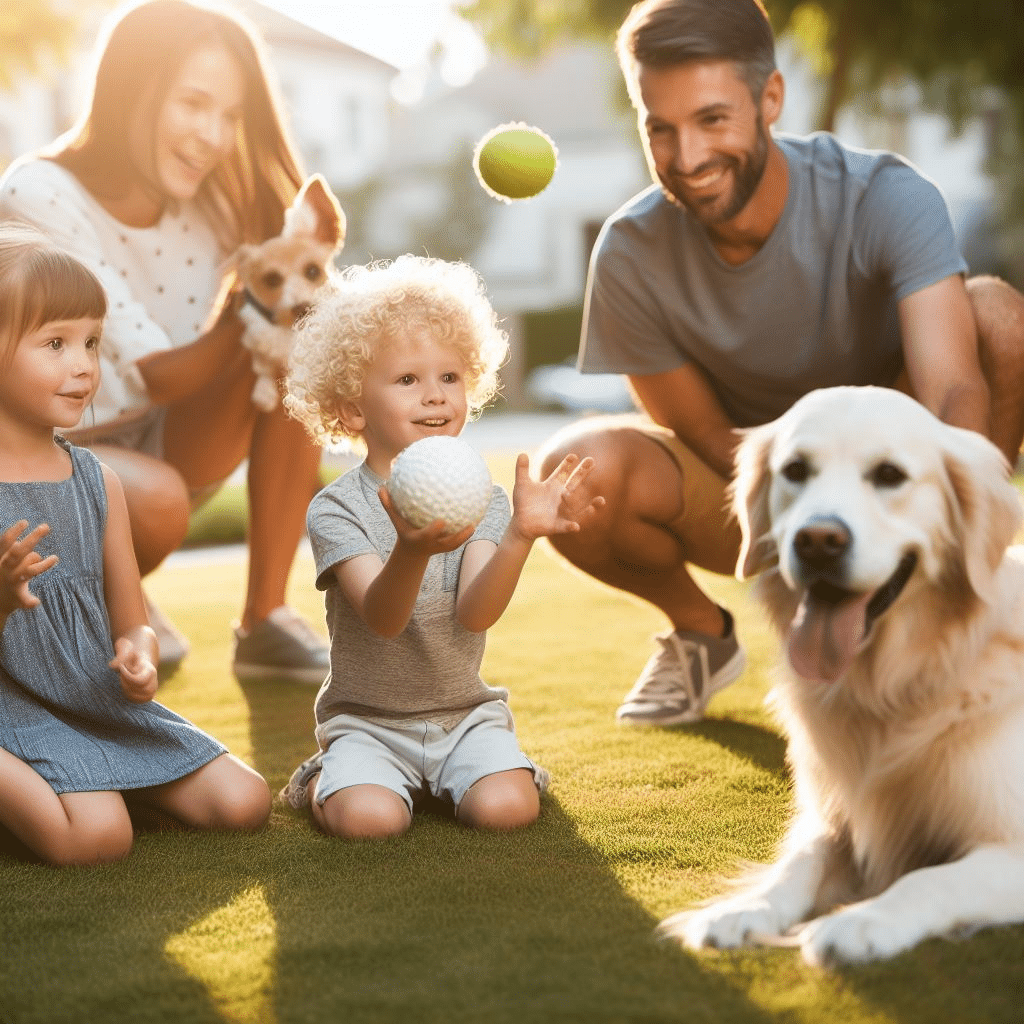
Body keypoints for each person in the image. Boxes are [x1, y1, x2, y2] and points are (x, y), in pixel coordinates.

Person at [538, 0, 1024, 727]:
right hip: (760, 491)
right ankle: (699, 633)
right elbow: (700, 430)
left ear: (770, 100)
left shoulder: (888, 198)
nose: (688, 157)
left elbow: (952, 386)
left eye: (712, 119)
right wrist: (806, 505)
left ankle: (958, 589)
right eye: (659, 129)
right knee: (570, 474)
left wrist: (925, 530)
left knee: (999, 318)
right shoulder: (628, 253)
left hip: (895, 489)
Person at [0, 0, 331, 682]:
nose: (213, 135)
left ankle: (265, 618)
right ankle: (103, 601)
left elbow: (297, 306)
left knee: (298, 353)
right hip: (40, 456)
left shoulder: (211, 203)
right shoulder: (39, 193)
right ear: (133, 89)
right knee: (150, 500)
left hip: (150, 439)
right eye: (193, 103)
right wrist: (249, 302)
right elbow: (158, 377)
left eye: (230, 115)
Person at [278, 255, 604, 839]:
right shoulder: (336, 508)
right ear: (352, 407)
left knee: (508, 811)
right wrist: (411, 548)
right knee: (370, 823)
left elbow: (476, 612)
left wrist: (519, 536)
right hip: (368, 723)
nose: (435, 396)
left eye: (449, 378)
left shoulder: (482, 496)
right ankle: (326, 778)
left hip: (465, 716)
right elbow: (382, 618)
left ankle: (471, 768)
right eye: (408, 380)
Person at [0, 225, 271, 866]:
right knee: (96, 840)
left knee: (244, 803)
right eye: (56, 343)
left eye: (92, 341)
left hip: (97, 700)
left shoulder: (99, 482)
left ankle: (105, 782)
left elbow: (132, 618)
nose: (83, 365)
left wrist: (138, 656)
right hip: (16, 705)